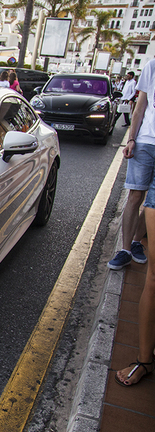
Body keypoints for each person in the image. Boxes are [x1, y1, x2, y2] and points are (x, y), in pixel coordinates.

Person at [115, 58, 155, 387]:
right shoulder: (153, 65)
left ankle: (141, 240)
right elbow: (141, 105)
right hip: (146, 143)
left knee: (149, 206)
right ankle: (126, 248)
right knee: (134, 198)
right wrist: (131, 138)